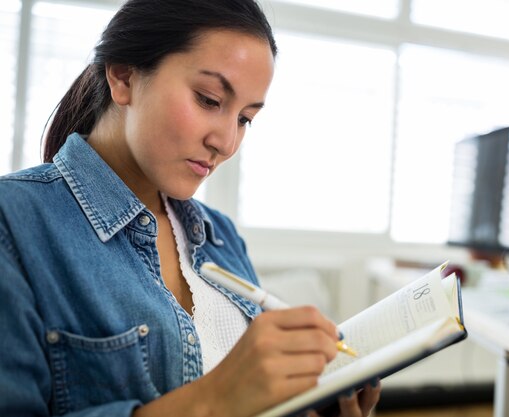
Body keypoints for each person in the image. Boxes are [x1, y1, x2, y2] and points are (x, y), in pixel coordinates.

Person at [0, 0, 381, 416]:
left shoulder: (222, 236)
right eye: (209, 99)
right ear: (123, 75)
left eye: (245, 119)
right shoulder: (15, 221)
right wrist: (214, 400)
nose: (227, 143)